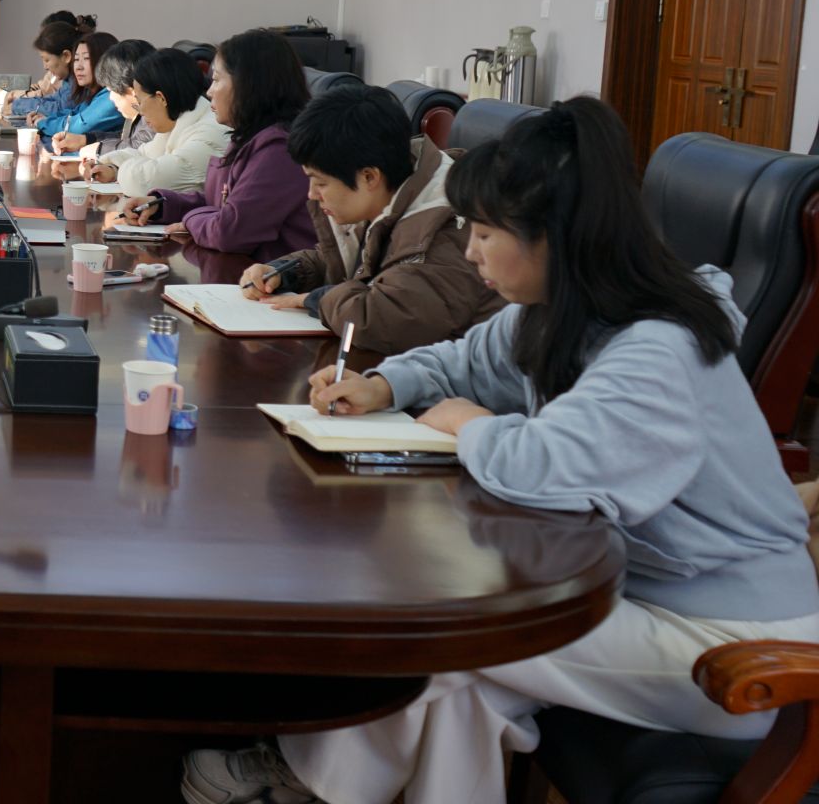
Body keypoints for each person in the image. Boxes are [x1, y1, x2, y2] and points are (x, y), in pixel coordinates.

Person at [184, 97, 819, 804]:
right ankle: (311, 783)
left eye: (486, 233)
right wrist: (384, 383)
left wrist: (469, 425)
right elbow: (462, 358)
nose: (472, 251)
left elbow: (546, 469)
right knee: (464, 691)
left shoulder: (659, 347)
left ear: (554, 236)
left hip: (733, 639)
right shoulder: (561, 308)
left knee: (453, 642)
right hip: (635, 592)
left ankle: (303, 780)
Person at [236, 85, 503, 354]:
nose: (312, 194)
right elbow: (347, 259)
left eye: (321, 183)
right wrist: (285, 273)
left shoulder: (446, 226)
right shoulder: (392, 188)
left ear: (369, 177)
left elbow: (386, 321)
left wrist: (316, 299)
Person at [133, 30, 314, 262]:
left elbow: (229, 231)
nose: (209, 92)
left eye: (217, 80)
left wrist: (189, 221)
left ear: (248, 85)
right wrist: (163, 205)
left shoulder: (280, 150)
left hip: (277, 278)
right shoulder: (247, 136)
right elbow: (221, 203)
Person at [97, 47, 231, 224]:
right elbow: (144, 153)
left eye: (140, 101)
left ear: (161, 98)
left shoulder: (210, 132)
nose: (140, 111)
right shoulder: (181, 120)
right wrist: (112, 167)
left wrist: (121, 170)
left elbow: (146, 180)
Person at [45, 32, 139, 150]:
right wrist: (86, 140)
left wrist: (42, 122)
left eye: (86, 58)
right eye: (76, 59)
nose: (78, 67)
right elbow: (72, 113)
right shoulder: (92, 93)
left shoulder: (112, 98)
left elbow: (77, 127)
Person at [7, 21, 82, 122]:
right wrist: (19, 102)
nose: (45, 67)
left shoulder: (79, 82)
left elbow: (59, 109)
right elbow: (53, 98)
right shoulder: (68, 80)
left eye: (47, 60)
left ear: (66, 56)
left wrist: (17, 105)